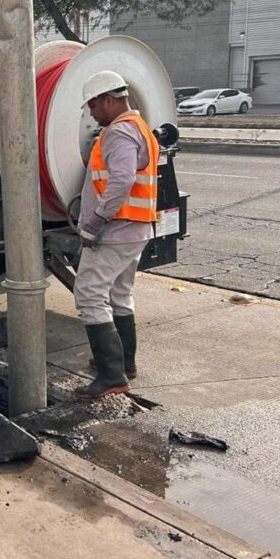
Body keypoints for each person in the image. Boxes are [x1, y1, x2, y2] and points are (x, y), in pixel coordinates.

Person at [73, 70, 159, 400]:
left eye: (93, 105)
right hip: (135, 227)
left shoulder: (119, 133)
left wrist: (93, 222)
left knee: (90, 294)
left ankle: (111, 377)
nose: (91, 113)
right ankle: (125, 363)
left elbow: (120, 181)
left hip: (117, 229)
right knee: (119, 294)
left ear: (110, 100)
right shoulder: (140, 128)